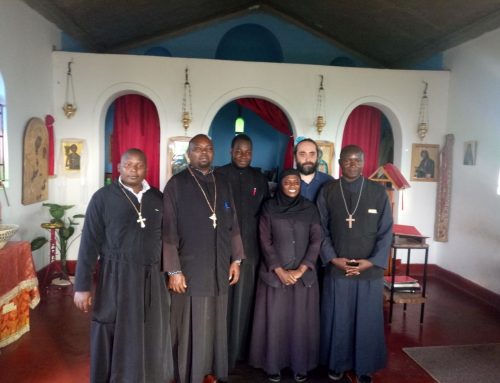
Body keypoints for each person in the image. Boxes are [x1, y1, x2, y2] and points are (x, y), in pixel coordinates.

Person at [74, 148, 173, 383]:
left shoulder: (157, 198)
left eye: (139, 165)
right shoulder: (103, 198)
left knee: (150, 328)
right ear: (119, 167)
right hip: (115, 276)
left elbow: (169, 239)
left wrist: (172, 271)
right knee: (114, 327)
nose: (133, 169)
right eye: (128, 164)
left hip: (152, 276)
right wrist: (82, 286)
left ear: (146, 169)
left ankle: (148, 376)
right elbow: (89, 242)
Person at [163, 134, 245, 383]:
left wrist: (237, 259)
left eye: (208, 148)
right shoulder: (176, 184)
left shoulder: (223, 181)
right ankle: (189, 374)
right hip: (190, 269)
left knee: (215, 323)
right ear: (189, 154)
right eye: (198, 149)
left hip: (220, 266)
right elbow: (168, 231)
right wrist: (173, 270)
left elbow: (234, 225)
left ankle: (212, 372)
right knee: (189, 324)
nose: (204, 153)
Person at [317, 145, 393, 383]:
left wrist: (370, 263)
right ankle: (337, 364)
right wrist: (332, 258)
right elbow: (319, 228)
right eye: (347, 160)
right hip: (337, 268)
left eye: (356, 160)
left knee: (367, 321)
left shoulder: (378, 192)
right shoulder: (328, 190)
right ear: (339, 162)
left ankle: (364, 367)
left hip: (369, 271)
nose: (352, 164)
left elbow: (386, 232)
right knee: (338, 318)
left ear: (363, 162)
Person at [249, 169, 322, 382]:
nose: (292, 184)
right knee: (275, 322)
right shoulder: (269, 207)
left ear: (300, 185)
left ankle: (301, 366)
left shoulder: (310, 208)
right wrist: (279, 270)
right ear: (280, 184)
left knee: (300, 324)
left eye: (296, 182)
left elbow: (316, 240)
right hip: (274, 277)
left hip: (303, 278)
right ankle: (273, 366)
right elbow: (265, 241)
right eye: (287, 181)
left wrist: (301, 270)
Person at [216, 134, 269, 369]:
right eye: (238, 151)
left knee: (245, 302)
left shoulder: (260, 179)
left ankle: (240, 352)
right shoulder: (218, 176)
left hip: (251, 250)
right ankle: (219, 351)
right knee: (222, 302)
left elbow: (265, 216)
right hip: (220, 250)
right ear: (230, 151)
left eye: (247, 152)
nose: (243, 155)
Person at [294, 138, 334, 202]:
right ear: (295, 157)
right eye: (302, 154)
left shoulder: (330, 181)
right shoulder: (285, 182)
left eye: (312, 154)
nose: (308, 159)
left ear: (317, 156)